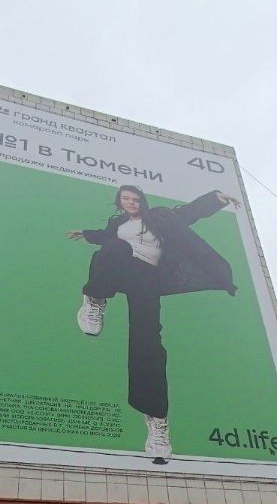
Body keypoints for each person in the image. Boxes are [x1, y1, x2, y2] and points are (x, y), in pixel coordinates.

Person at [67, 185, 240, 460]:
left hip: (148, 280)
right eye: (126, 199)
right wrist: (86, 234)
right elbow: (103, 237)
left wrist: (215, 199)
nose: (131, 202)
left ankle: (157, 419)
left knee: (147, 342)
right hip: (123, 269)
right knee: (113, 248)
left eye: (135, 199)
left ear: (143, 201)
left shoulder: (159, 217)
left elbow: (189, 213)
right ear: (120, 202)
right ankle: (95, 299)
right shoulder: (117, 226)